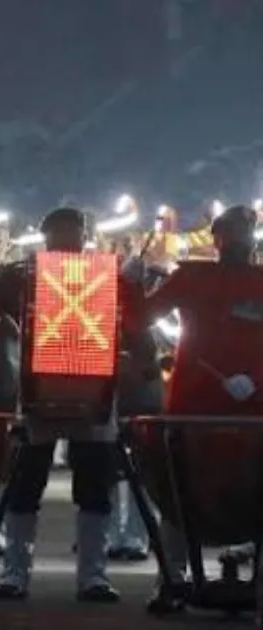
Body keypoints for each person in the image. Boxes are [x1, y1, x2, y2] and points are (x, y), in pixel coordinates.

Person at [0, 207, 154, 603]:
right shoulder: (25, 275)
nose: (65, 240)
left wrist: (131, 288)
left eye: (72, 232)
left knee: (94, 488)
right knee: (24, 486)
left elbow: (138, 324)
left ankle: (92, 576)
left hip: (94, 391)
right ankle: (15, 574)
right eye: (58, 233)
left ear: (84, 235)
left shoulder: (106, 275)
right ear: (45, 238)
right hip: (37, 393)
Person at [139, 205, 263, 613]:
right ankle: (172, 580)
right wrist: (126, 284)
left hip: (254, 411)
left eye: (247, 232)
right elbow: (143, 316)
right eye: (232, 233)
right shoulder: (192, 276)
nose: (240, 241)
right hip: (193, 405)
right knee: (179, 495)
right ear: (217, 239)